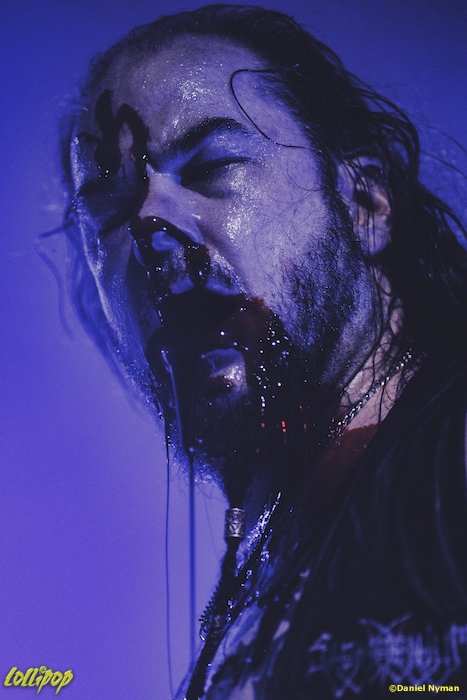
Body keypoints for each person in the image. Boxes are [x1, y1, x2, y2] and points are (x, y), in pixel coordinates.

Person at [60, 4, 467, 698]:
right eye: (109, 205)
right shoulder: (273, 546)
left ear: (365, 204)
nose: (149, 223)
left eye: (212, 163)